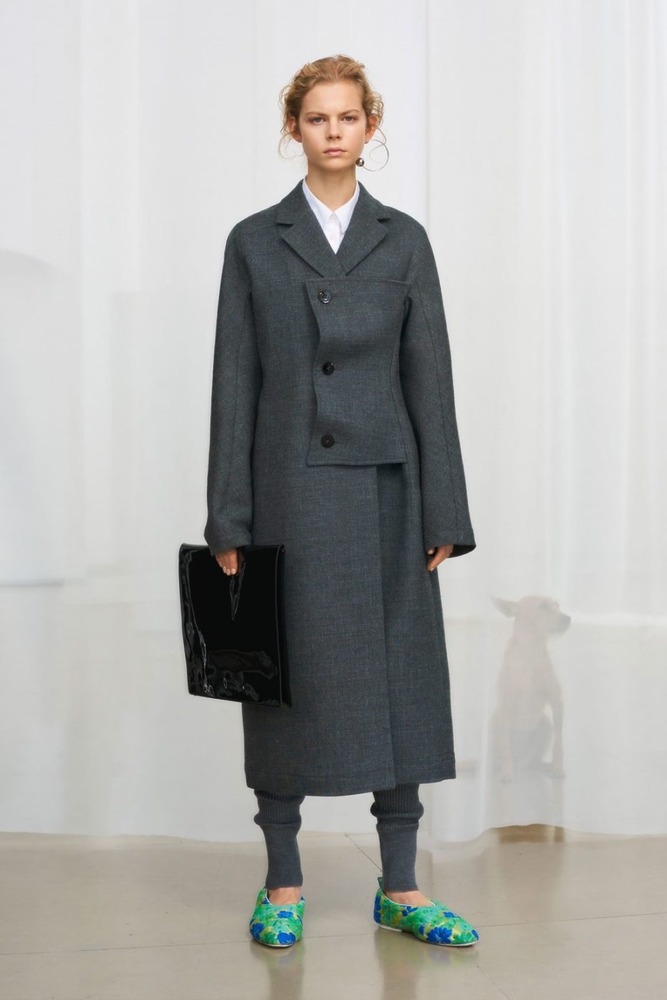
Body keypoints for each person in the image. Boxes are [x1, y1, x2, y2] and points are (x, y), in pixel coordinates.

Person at [204, 55, 478, 949]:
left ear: (370, 127)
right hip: (286, 493)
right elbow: (234, 383)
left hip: (388, 492)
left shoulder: (404, 240)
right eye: (316, 117)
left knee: (400, 681)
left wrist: (445, 509)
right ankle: (282, 880)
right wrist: (228, 515)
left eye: (347, 117)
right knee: (282, 680)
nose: (332, 131)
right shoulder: (255, 240)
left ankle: (400, 885)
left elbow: (429, 378)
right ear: (293, 128)